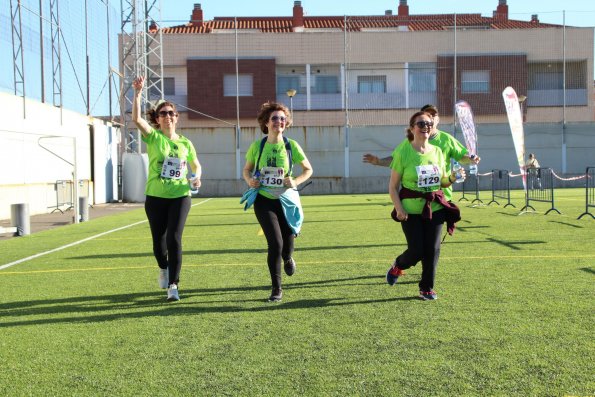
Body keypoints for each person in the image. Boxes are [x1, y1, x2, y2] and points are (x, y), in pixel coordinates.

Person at [132, 76, 202, 302]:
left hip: (180, 195)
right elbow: (135, 119)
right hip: (155, 196)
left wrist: (197, 176)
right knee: (159, 244)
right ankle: (163, 267)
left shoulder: (185, 143)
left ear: (177, 118)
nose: (168, 117)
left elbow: (195, 164)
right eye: (163, 113)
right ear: (157, 119)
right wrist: (138, 93)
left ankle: (173, 284)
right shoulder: (153, 138)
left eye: (172, 113)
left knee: (174, 238)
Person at [387, 111, 462, 301]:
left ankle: (426, 288)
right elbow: (393, 186)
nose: (426, 127)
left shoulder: (437, 151)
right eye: (421, 124)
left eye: (429, 124)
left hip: (434, 208)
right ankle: (398, 265)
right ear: (412, 128)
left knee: (433, 249)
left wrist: (453, 177)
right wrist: (399, 208)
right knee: (417, 250)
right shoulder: (403, 152)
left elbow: (442, 182)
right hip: (410, 210)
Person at [242, 102, 313, 302]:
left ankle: (288, 258)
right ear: (266, 122)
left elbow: (308, 169)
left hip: (286, 201)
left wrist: (295, 180)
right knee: (275, 243)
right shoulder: (258, 146)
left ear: (286, 123)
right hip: (264, 200)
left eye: (282, 118)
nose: (279, 122)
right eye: (274, 118)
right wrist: (250, 181)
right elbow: (246, 170)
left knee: (287, 245)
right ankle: (276, 288)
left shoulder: (291, 146)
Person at [363, 104, 480, 202]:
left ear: (438, 119)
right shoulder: (409, 142)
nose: (431, 119)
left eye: (434, 115)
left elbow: (461, 157)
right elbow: (396, 160)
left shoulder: (447, 140)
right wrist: (379, 161)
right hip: (416, 197)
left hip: (441, 195)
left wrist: (470, 159)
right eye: (427, 116)